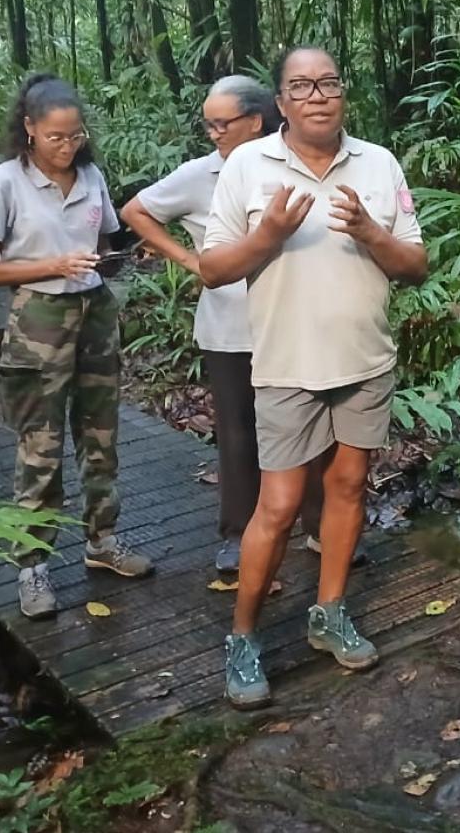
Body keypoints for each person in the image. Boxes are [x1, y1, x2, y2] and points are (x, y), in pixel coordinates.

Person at [200, 46, 427, 708]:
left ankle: (329, 612)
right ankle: (242, 637)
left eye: (330, 82)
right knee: (277, 505)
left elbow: (415, 265)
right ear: (281, 101)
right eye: (302, 86)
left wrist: (369, 232)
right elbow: (213, 270)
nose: (319, 96)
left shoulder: (379, 164)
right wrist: (268, 234)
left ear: (343, 93)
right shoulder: (247, 165)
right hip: (285, 365)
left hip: (365, 360)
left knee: (351, 484)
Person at [120, 76, 330, 575]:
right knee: (238, 431)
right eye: (208, 124)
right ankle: (239, 533)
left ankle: (321, 527)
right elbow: (136, 210)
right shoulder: (199, 175)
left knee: (313, 425)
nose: (212, 133)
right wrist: (190, 261)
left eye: (221, 123)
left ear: (254, 121)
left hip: (298, 323)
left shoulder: (293, 162)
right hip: (231, 327)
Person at [0, 73, 154, 620]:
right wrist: (53, 265)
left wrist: (123, 258)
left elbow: (102, 242)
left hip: (95, 312)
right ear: (28, 129)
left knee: (100, 437)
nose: (67, 146)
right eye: (55, 137)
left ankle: (102, 542)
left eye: (74, 135)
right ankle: (33, 566)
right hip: (38, 318)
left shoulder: (91, 175)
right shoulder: (5, 182)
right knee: (40, 446)